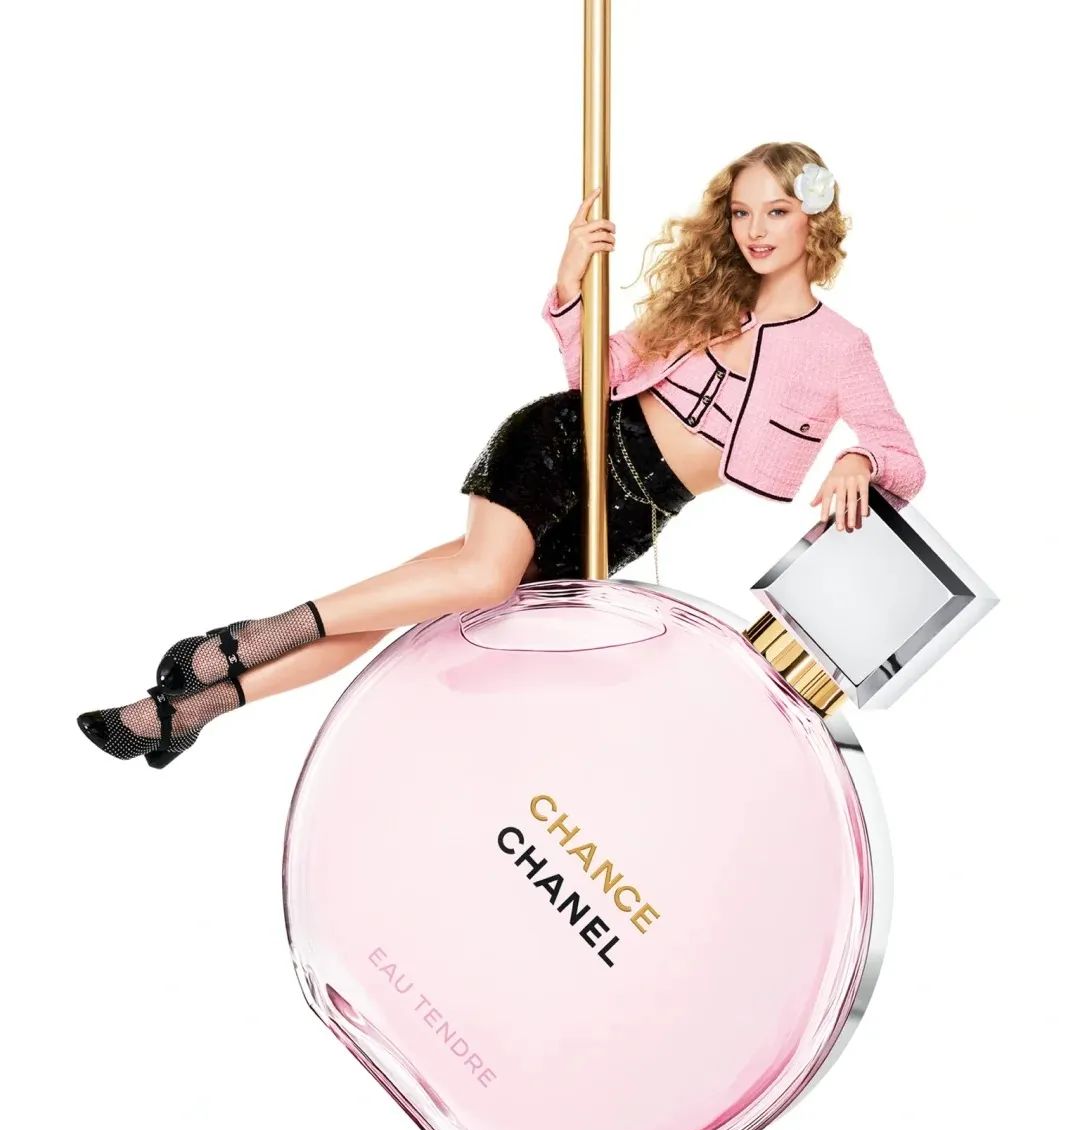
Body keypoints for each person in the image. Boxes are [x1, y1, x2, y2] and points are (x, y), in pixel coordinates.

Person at [76, 139, 926, 768]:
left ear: (814, 217)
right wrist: (570, 282)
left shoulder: (841, 349)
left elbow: (903, 460)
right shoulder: (707, 303)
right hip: (565, 450)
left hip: (627, 521)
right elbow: (596, 377)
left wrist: (857, 463)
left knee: (406, 613)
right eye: (741, 211)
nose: (755, 230)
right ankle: (239, 641)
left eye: (776, 211)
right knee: (480, 579)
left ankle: (191, 709)